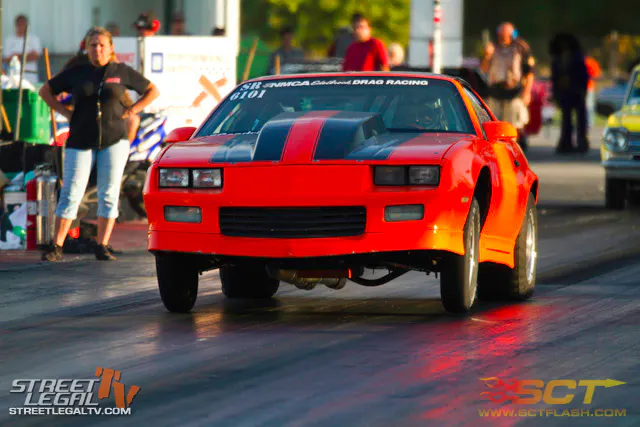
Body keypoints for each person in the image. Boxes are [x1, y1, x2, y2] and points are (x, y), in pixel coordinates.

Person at [38, 27, 160, 262]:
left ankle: (102, 245)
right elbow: (46, 91)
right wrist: (65, 112)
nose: (98, 49)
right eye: (93, 45)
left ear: (111, 48)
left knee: (109, 193)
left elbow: (152, 91)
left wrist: (132, 111)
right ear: (87, 48)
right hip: (80, 140)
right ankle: (57, 245)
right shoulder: (77, 72)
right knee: (71, 192)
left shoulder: (121, 71)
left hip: (114, 140)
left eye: (102, 45)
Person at [480, 22, 533, 151]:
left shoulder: (520, 48)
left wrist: (527, 92)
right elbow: (483, 69)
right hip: (495, 92)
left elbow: (529, 73)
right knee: (493, 129)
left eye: (507, 33)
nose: (504, 36)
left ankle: (511, 152)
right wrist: (487, 55)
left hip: (514, 92)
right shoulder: (492, 48)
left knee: (512, 128)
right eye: (502, 33)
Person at [549, 33, 589, 153]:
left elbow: (583, 75)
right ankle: (566, 142)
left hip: (576, 91)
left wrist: (582, 89)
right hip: (564, 91)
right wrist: (556, 92)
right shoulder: (557, 59)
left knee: (580, 118)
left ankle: (581, 141)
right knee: (566, 118)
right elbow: (554, 78)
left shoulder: (577, 57)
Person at [2, 15, 42, 85]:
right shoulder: (9, 40)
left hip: (31, 78)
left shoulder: (34, 39)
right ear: (16, 25)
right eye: (19, 24)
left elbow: (36, 56)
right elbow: (7, 59)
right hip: (13, 79)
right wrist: (27, 55)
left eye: (23, 24)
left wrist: (16, 56)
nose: (21, 27)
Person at [585, 55, 601, 130]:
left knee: (587, 106)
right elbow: (596, 75)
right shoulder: (591, 62)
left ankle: (588, 122)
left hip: (586, 87)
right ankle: (589, 123)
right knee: (589, 106)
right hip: (589, 87)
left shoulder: (589, 62)